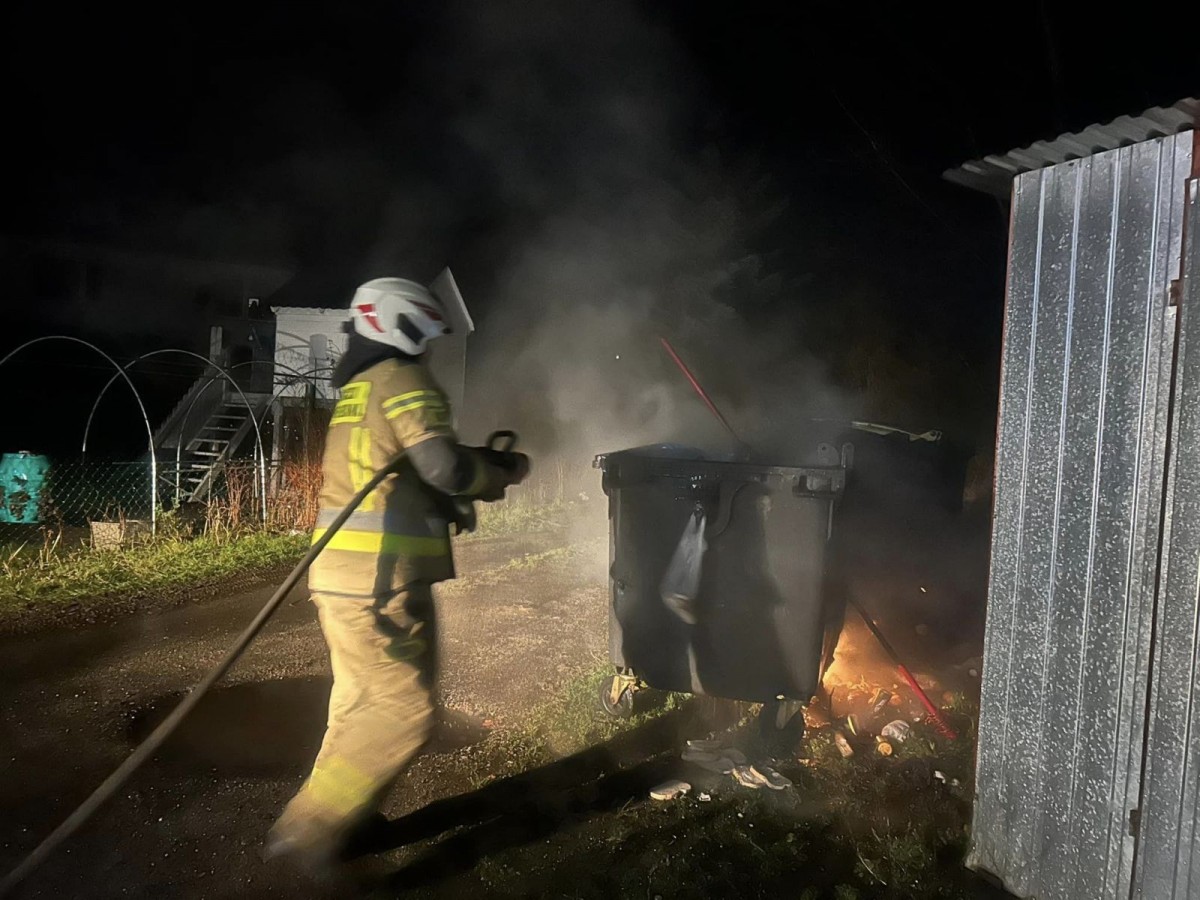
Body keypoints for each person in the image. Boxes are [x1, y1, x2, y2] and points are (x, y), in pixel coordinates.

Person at [266, 276, 528, 868]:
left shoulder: (359, 387)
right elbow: (443, 468)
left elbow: (398, 470)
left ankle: (344, 821)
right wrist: (499, 472)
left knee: (359, 704)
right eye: (423, 333)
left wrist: (469, 469)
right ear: (398, 325)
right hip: (382, 580)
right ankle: (307, 834)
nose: (427, 347)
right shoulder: (402, 379)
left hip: (341, 577)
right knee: (404, 713)